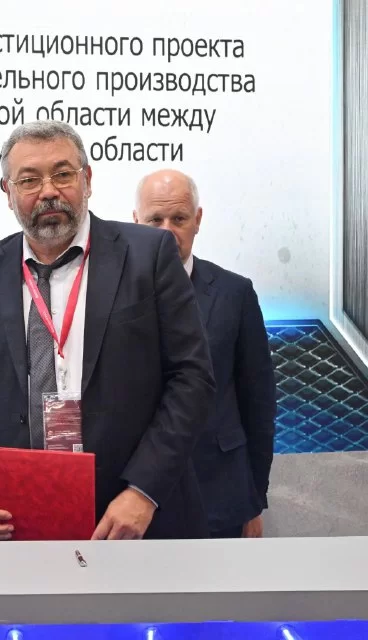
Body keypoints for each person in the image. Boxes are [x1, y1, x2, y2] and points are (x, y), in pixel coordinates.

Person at [0, 120, 216, 541]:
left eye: (63, 174)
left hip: (132, 519)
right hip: (13, 520)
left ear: (87, 179)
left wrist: (143, 491)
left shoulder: (149, 255)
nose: (48, 191)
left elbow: (192, 379)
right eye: (29, 180)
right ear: (7, 193)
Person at [133, 169, 276, 538]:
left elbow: (258, 403)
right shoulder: (112, 295)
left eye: (179, 218)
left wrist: (253, 499)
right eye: (155, 220)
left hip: (220, 494)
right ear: (135, 223)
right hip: (132, 499)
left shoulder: (235, 293)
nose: (166, 231)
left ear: (197, 220)